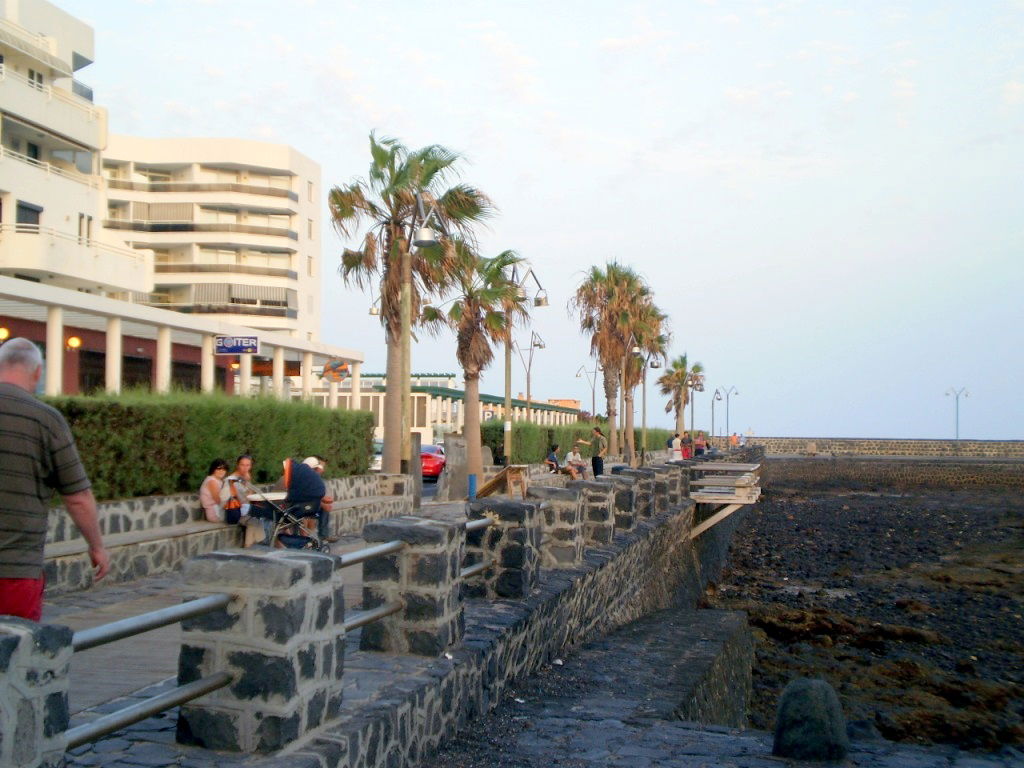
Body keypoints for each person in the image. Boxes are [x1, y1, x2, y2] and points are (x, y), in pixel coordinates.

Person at [0, 338, 109, 621]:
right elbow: (77, 498)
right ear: (37, 372)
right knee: (13, 656)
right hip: (14, 570)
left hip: (15, 570)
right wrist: (96, 546)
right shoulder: (45, 420)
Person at [302, 456, 335, 542]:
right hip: (301, 505)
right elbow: (306, 496)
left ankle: (319, 536)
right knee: (314, 511)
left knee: (321, 508)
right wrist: (323, 504)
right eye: (321, 467)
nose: (323, 470)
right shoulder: (306, 478)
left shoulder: (311, 478)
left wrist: (324, 501)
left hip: (306, 504)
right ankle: (309, 539)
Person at [199, 458, 229, 522]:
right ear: (213, 469)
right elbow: (218, 500)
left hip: (219, 509)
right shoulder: (212, 481)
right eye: (219, 469)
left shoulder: (219, 480)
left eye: (224, 469)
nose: (221, 471)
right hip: (214, 513)